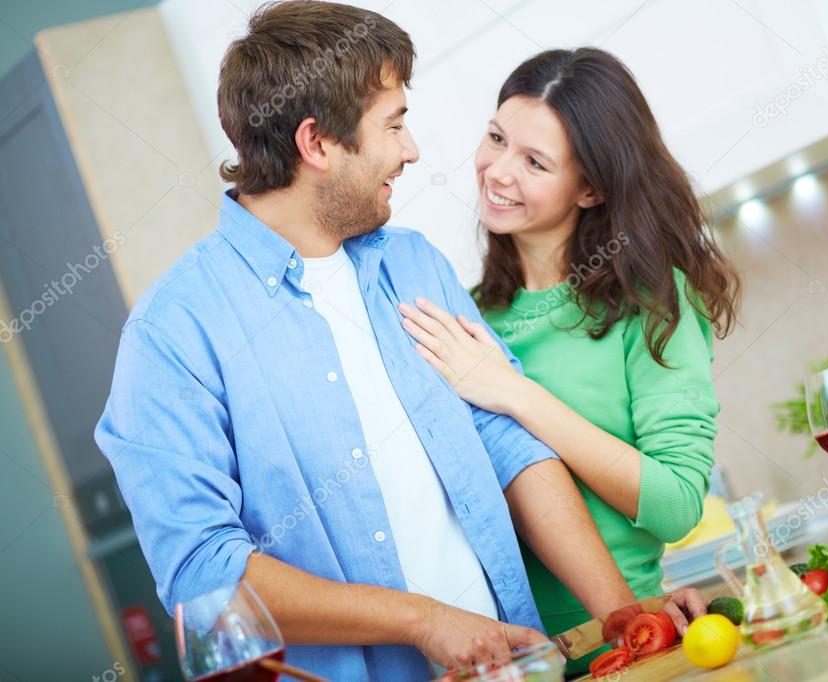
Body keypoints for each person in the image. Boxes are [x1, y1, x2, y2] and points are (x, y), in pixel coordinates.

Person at [94, 6, 638, 680]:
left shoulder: (414, 265)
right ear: (317, 144)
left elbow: (507, 446)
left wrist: (620, 611)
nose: (410, 151)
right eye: (394, 125)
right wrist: (422, 619)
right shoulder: (172, 334)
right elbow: (203, 573)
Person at [398, 47, 741, 675]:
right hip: (507, 662)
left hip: (628, 649)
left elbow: (675, 504)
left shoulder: (653, 304)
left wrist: (514, 393)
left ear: (590, 188)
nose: (498, 171)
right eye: (497, 138)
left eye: (534, 162)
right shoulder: (467, 320)